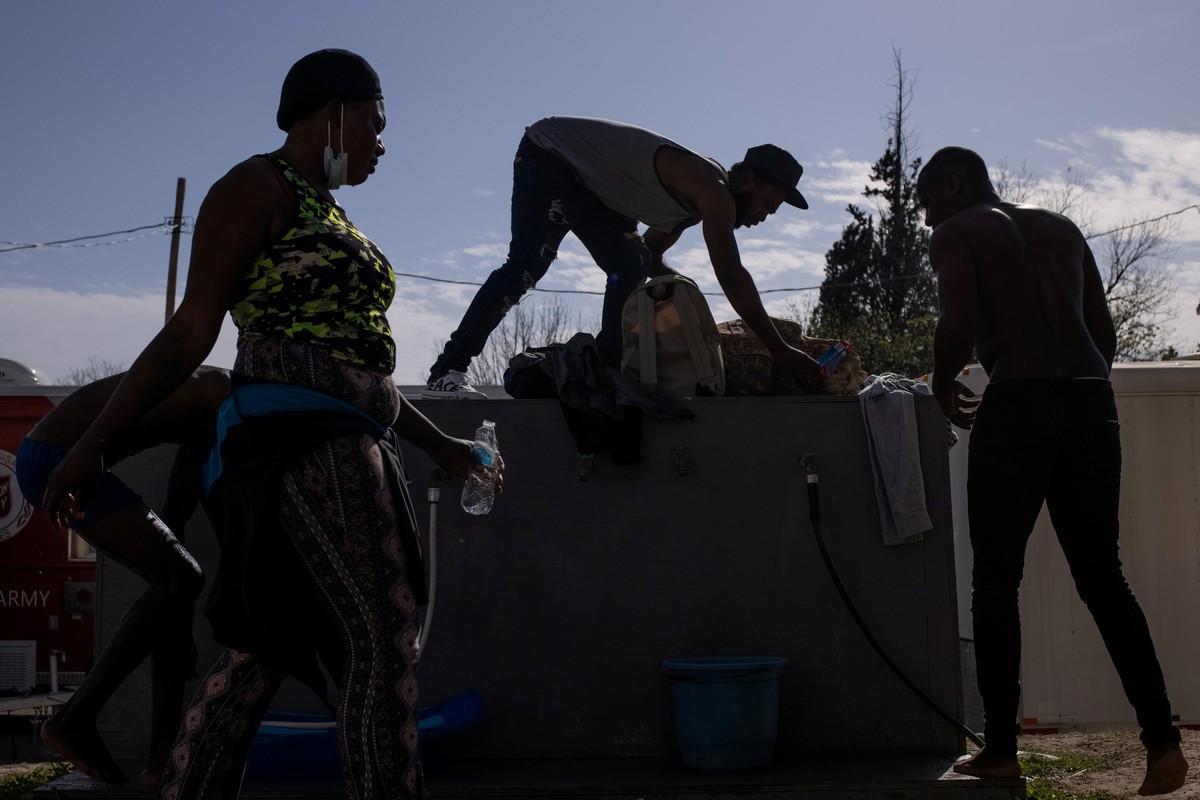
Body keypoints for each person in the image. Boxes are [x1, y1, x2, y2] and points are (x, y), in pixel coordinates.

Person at [42, 49, 490, 800]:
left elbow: (362, 367)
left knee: (264, 647)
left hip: (352, 438)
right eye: (374, 125)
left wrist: (439, 444)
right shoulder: (254, 187)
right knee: (382, 639)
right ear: (331, 114)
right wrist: (91, 448)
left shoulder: (329, 207)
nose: (382, 143)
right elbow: (190, 333)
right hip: (301, 444)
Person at [921, 146, 1187, 794]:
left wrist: (939, 380)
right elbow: (1103, 332)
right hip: (1090, 402)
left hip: (1019, 405)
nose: (927, 219)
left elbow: (957, 324)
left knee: (996, 580)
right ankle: (1163, 745)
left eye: (927, 201)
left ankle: (1002, 751)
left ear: (953, 185)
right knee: (1103, 576)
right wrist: (1076, 386)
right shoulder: (1063, 231)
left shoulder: (959, 232)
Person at [423, 115, 821, 399]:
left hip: (593, 190)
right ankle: (447, 371)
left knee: (630, 259)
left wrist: (683, 296)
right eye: (768, 202)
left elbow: (650, 257)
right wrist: (779, 349)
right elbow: (731, 275)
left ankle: (608, 369)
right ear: (748, 179)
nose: (765, 215)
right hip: (552, 154)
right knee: (529, 262)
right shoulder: (713, 190)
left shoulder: (692, 205)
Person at [15, 366, 228, 788]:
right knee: (181, 578)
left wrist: (179, 616)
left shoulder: (211, 428)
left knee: (179, 582)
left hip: (65, 461)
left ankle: (160, 765)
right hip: (56, 459)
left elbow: (176, 517)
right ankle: (72, 720)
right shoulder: (216, 389)